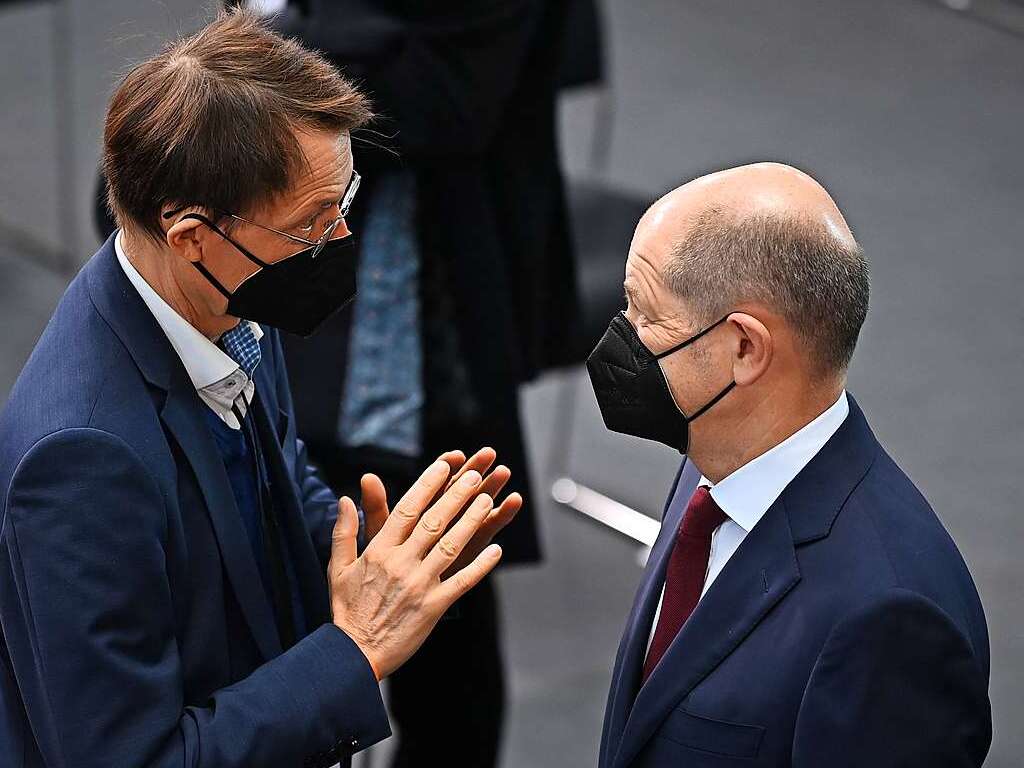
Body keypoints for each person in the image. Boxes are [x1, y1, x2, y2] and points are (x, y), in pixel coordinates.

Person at [0, 11, 522, 768]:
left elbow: (274, 478)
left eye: (346, 206)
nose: (342, 243)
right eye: (315, 224)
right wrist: (355, 651)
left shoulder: (229, 298)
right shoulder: (81, 460)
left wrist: (361, 550)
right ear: (191, 235)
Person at [587, 163, 991, 767]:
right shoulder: (713, 467)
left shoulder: (889, 619)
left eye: (645, 315)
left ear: (745, 348)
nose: (623, 335)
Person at [265, 2, 582, 765]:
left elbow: (440, 108)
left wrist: (283, 30)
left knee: (446, 634)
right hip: (297, 296)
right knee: (276, 603)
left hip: (434, 327)